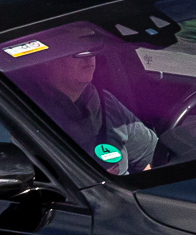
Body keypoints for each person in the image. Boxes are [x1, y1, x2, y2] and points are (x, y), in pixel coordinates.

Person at [32, 32, 157, 174]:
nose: (89, 56)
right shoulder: (27, 112)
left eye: (92, 48)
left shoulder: (105, 102)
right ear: (47, 59)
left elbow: (152, 158)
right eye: (77, 50)